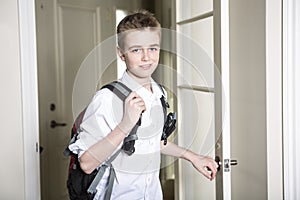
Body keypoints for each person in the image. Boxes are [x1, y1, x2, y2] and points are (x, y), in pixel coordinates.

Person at [69, 9, 218, 200]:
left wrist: (193, 157)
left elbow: (153, 143)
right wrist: (125, 125)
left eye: (153, 48)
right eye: (136, 50)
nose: (147, 57)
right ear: (121, 54)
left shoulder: (158, 93)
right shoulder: (106, 99)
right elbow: (87, 163)